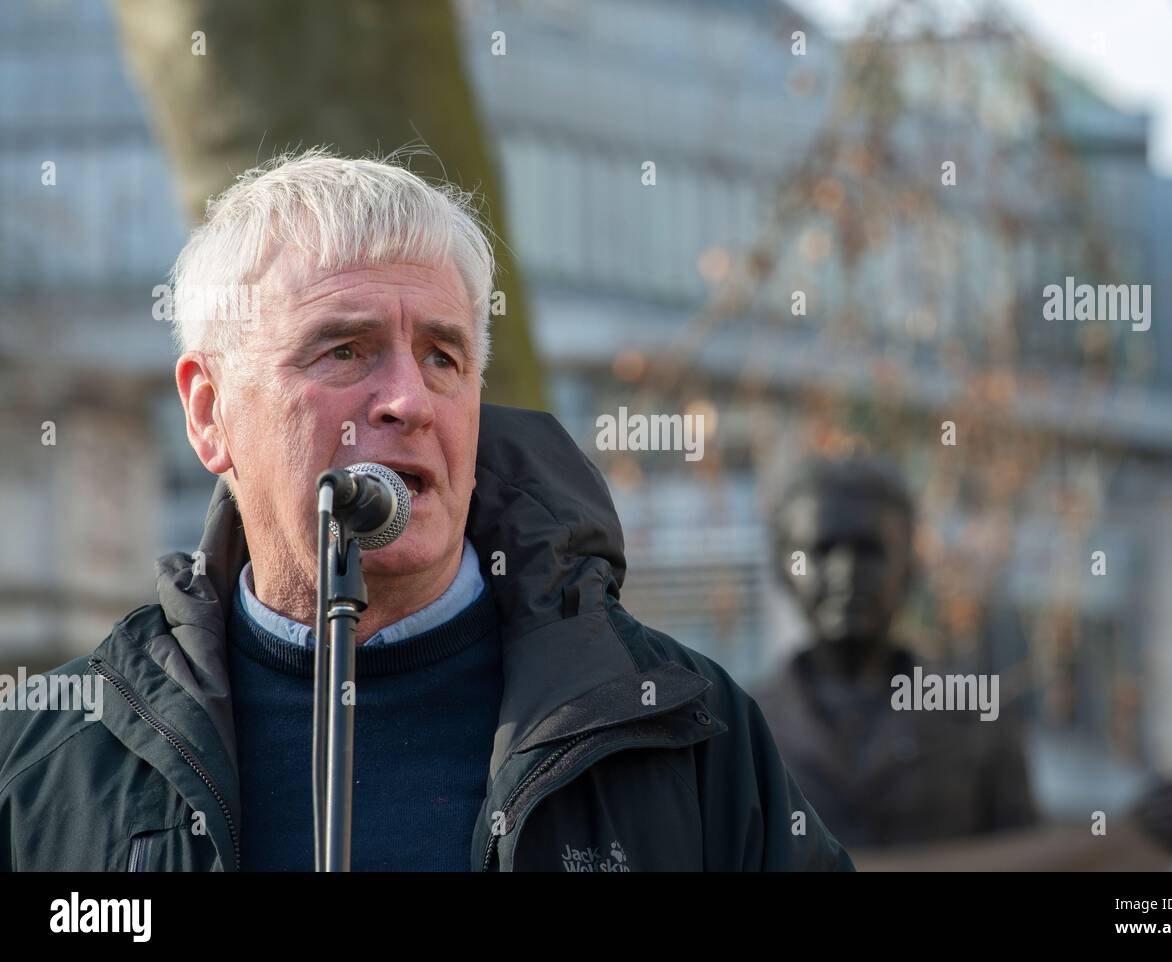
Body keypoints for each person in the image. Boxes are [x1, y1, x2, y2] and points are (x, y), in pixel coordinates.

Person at [0, 149, 853, 872]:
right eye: (345, 350)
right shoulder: (54, 757)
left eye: (443, 356)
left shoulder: (684, 734)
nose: (408, 399)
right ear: (209, 412)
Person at [752, 456, 1172, 869]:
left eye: (870, 551)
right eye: (822, 550)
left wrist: (1127, 836)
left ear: (910, 567)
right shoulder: (739, 726)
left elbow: (1025, 862)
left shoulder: (977, 713)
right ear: (782, 568)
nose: (846, 573)